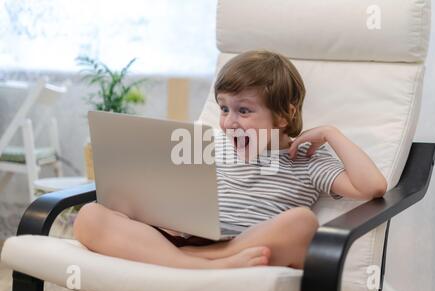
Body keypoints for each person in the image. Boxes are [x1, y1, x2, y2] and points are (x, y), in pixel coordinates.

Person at [73, 50, 387, 270]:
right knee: (90, 215)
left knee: (302, 223)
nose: (228, 121)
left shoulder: (306, 160)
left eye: (244, 110)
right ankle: (197, 265)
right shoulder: (212, 146)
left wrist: (331, 133)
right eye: (224, 109)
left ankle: (204, 261)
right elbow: (175, 196)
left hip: (249, 244)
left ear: (284, 114)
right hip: (187, 239)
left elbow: (372, 186)